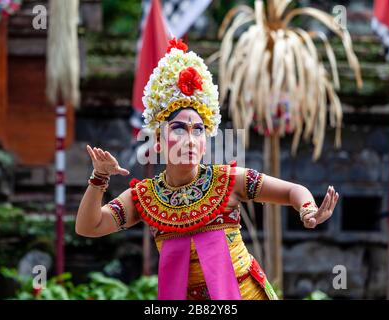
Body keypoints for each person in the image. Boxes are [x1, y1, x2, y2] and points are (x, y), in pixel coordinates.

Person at [75, 38, 339, 300]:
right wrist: (99, 177)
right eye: (179, 129)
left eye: (198, 130)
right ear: (157, 141)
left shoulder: (229, 180)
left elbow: (294, 191)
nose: (190, 139)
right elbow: (89, 226)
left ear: (205, 142)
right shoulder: (144, 198)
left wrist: (308, 209)